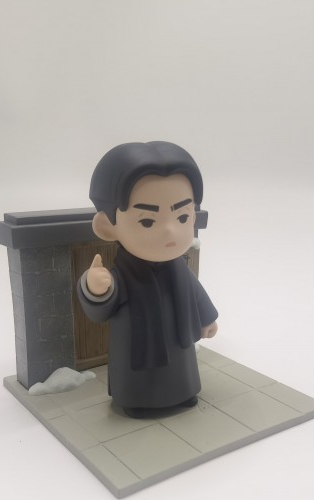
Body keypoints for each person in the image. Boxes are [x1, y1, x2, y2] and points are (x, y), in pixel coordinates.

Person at [77, 141, 218, 418]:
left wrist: (207, 319)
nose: (170, 231)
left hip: (178, 342)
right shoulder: (122, 276)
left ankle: (184, 392)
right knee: (140, 376)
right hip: (136, 349)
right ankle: (137, 401)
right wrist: (96, 288)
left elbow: (196, 293)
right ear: (107, 227)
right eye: (147, 221)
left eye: (182, 217)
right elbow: (101, 309)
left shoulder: (180, 269)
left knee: (181, 368)